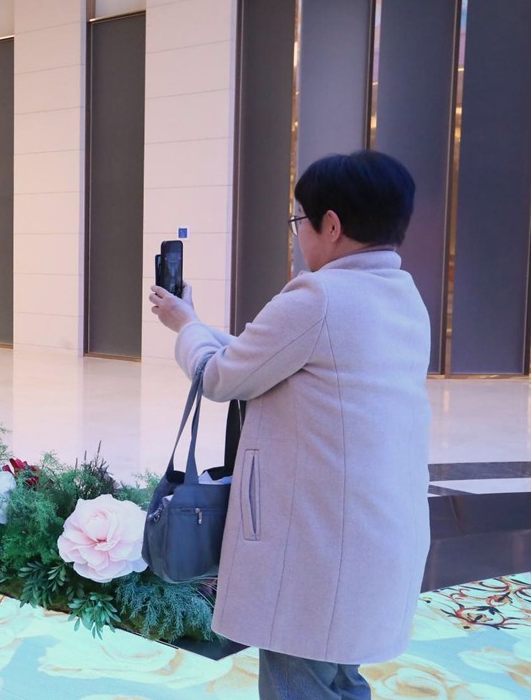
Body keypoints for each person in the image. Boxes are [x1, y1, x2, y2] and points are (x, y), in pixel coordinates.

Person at [149, 150, 430, 699]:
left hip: (316, 546)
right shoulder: (404, 296)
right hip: (375, 535)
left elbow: (220, 377)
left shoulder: (318, 294)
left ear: (332, 225)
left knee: (297, 680)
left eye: (299, 219)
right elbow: (275, 357)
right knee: (340, 676)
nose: (299, 233)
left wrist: (184, 326)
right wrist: (197, 326)